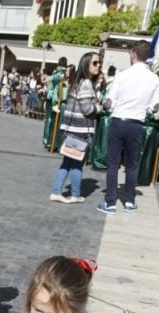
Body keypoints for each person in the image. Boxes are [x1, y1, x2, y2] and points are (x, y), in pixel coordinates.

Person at [97, 40, 159, 215]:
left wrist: (105, 105)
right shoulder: (154, 78)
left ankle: (110, 203)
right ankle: (130, 202)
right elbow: (155, 106)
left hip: (118, 121)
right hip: (136, 124)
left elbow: (109, 102)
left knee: (112, 164)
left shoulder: (122, 75)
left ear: (133, 54)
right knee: (132, 165)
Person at [50, 52, 102, 204]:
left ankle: (57, 191)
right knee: (77, 164)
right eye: (95, 63)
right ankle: (75, 194)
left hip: (70, 130)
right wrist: (99, 107)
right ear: (86, 64)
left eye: (99, 63)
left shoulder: (77, 81)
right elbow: (87, 109)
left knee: (67, 163)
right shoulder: (86, 83)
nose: (98, 65)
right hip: (80, 131)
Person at [43, 57, 67, 148]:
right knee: (56, 122)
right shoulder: (62, 73)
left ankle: (49, 141)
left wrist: (49, 78)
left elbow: (49, 80)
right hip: (58, 99)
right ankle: (53, 142)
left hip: (53, 98)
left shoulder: (58, 73)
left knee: (51, 120)